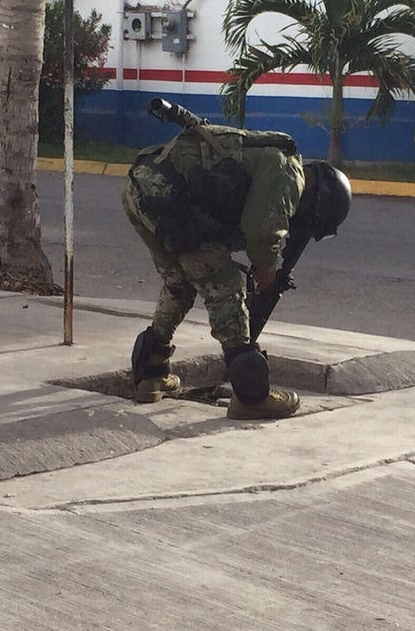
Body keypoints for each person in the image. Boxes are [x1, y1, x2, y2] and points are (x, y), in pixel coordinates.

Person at [122, 103, 351, 420]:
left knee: (180, 284)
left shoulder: (273, 158)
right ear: (321, 204)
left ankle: (151, 375)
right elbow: (262, 231)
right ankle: (251, 395)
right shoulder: (289, 173)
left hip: (143, 188)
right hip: (172, 199)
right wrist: (266, 268)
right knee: (224, 285)